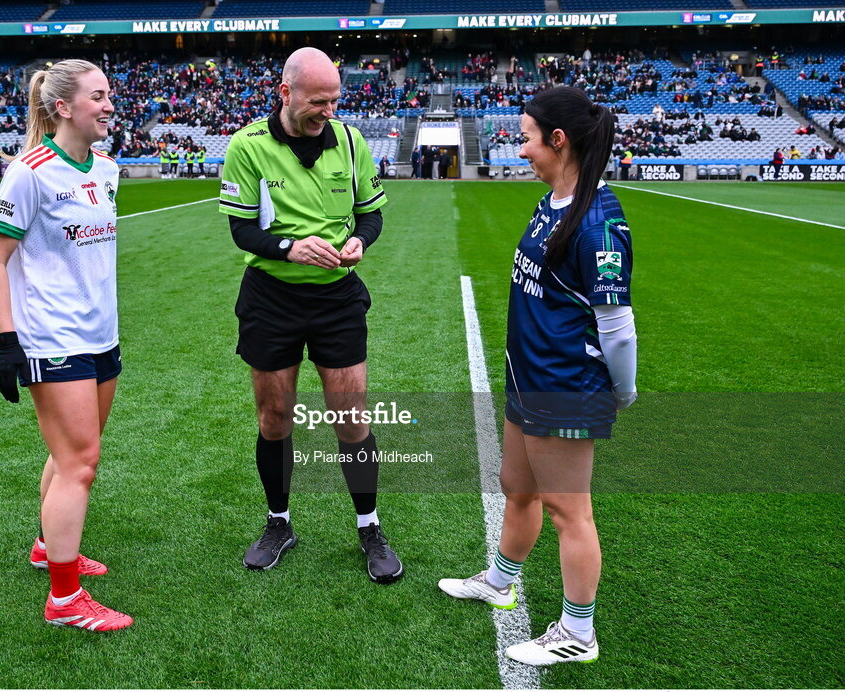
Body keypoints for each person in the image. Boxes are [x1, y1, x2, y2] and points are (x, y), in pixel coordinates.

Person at [437, 86, 637, 666]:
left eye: (526, 137)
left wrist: (619, 392)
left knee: (568, 510)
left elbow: (618, 325)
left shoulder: (599, 219)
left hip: (566, 383)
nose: (519, 149)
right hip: (529, 376)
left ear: (558, 140)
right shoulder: (553, 200)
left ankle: (578, 632)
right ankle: (501, 581)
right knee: (515, 485)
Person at [217, 47, 403, 583]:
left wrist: (359, 244)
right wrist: (289, 248)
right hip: (270, 297)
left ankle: (369, 527)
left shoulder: (350, 140)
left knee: (351, 418)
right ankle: (279, 523)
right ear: (285, 93)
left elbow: (371, 216)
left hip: (337, 299)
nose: (328, 110)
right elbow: (241, 230)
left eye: (334, 100)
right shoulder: (247, 146)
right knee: (274, 418)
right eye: (318, 100)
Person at [0, 58, 131, 632]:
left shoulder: (108, 169)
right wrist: (6, 340)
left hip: (102, 335)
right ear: (63, 107)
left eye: (109, 94)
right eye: (98, 96)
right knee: (80, 464)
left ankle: (49, 546)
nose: (109, 105)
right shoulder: (30, 172)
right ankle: (64, 601)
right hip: (53, 337)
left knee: (73, 456)